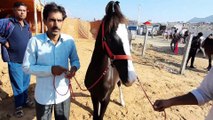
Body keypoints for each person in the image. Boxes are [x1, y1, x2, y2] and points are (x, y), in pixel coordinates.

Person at [22, 2, 80, 120]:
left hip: (63, 95)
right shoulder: (35, 42)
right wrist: (50, 70)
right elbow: (26, 67)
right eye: (52, 20)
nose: (56, 24)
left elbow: (75, 60)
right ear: (45, 21)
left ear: (63, 21)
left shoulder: (69, 41)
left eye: (59, 20)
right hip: (43, 96)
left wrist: (74, 69)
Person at [0, 2, 33, 118]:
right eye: (20, 10)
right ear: (14, 11)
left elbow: (30, 40)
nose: (22, 12)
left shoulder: (26, 25)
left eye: (24, 10)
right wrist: (3, 41)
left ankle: (24, 101)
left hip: (26, 61)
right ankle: (18, 106)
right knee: (18, 85)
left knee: (25, 83)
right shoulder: (7, 23)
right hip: (14, 60)